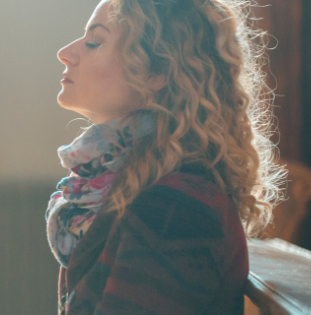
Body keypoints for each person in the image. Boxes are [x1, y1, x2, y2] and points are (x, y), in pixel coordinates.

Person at [45, 0, 285, 314]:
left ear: (157, 70)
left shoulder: (174, 210)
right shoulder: (131, 182)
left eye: (94, 42)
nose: (66, 52)